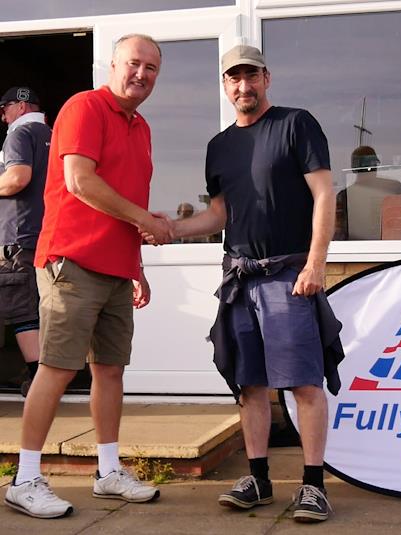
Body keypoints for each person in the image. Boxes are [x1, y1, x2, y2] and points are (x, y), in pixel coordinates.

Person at [159, 44, 342, 523]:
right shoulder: (219, 146)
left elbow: (324, 194)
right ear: (224, 85)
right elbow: (220, 214)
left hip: (289, 274)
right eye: (233, 78)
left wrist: (316, 262)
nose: (244, 86)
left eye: (251, 76)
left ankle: (313, 486)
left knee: (304, 383)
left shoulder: (296, 124)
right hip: (239, 277)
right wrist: (171, 230)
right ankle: (258, 478)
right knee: (249, 385)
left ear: (267, 78)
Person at [4, 34, 171, 520]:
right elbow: (80, 180)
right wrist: (145, 220)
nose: (141, 74)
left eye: (152, 68)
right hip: (71, 261)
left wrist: (135, 264)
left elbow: (128, 201)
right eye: (134, 63)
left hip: (117, 267)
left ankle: (108, 470)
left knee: (110, 370)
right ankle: (26, 477)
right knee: (56, 367)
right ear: (113, 64)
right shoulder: (84, 106)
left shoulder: (141, 127)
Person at [0, 86, 51, 398]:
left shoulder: (19, 135)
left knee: (21, 312)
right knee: (42, 310)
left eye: (3, 109)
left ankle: (40, 384)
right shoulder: (55, 135)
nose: (3, 117)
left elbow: (17, 178)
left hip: (18, 239)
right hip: (46, 236)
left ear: (19, 107)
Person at [334, 145, 401, 240]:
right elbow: (338, 231)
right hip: (357, 250)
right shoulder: (393, 188)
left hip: (390, 248)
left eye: (372, 165)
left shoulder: (394, 188)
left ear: (353, 168)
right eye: (371, 165)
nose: (372, 169)